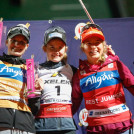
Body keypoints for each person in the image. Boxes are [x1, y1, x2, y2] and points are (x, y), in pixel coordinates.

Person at [72, 23, 134, 134]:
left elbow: (132, 85)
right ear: (83, 47)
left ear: (104, 45)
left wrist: (113, 60)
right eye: (88, 43)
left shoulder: (116, 64)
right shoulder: (79, 74)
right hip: (97, 129)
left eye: (97, 43)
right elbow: (74, 102)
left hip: (122, 127)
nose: (93, 47)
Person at [32, 26, 77, 134]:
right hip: (43, 127)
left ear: (65, 49)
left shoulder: (73, 70)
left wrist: (107, 56)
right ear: (44, 48)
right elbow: (31, 103)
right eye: (52, 47)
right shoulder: (35, 70)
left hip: (67, 126)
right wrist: (36, 91)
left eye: (60, 47)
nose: (56, 51)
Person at [0, 23, 35, 134]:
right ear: (7, 42)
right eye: (13, 40)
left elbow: (35, 107)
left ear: (27, 46)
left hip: (25, 126)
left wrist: (37, 91)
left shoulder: (30, 69)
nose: (17, 45)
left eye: (22, 42)